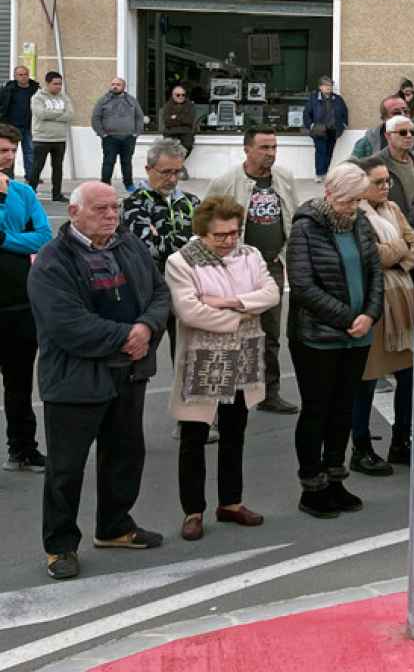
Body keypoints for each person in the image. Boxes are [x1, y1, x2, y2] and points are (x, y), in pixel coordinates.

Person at [33, 181, 171, 579]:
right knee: (66, 467)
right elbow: (66, 324)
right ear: (74, 213)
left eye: (115, 208)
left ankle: (115, 526)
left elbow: (160, 293)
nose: (111, 215)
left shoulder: (128, 245)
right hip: (76, 380)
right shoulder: (52, 261)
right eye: (100, 209)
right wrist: (127, 338)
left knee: (126, 453)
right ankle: (59, 546)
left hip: (128, 373)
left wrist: (145, 327)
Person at [165, 196, 277, 541]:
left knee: (235, 433)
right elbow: (190, 312)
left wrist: (230, 303)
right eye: (221, 236)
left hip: (242, 353)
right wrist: (244, 313)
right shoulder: (180, 261)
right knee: (194, 437)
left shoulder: (251, 254)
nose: (230, 240)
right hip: (203, 356)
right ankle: (193, 510)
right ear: (202, 233)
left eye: (235, 232)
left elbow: (271, 293)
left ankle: (230, 502)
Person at [285, 162, 382, 519]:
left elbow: (375, 274)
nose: (353, 208)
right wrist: (347, 318)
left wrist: (370, 314)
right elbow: (303, 285)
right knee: (317, 411)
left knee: (343, 410)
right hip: (318, 338)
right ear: (329, 194)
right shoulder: (306, 227)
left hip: (357, 336)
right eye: (348, 201)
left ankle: (336, 478)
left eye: (358, 201)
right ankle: (312, 486)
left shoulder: (360, 223)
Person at [205, 128, 298, 413]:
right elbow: (204, 224)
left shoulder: (284, 178)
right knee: (230, 332)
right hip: (235, 269)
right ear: (247, 149)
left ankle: (269, 393)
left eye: (274, 147)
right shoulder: (226, 182)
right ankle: (223, 399)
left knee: (270, 334)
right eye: (264, 147)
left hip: (272, 266)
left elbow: (293, 217)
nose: (270, 153)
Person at [344, 158, 414, 475]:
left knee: (409, 375)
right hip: (373, 303)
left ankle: (401, 440)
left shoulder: (393, 210)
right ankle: (360, 447)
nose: (386, 186)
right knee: (367, 379)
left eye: (387, 181)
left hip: (402, 297)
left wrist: (398, 250)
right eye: (378, 182)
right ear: (362, 185)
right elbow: (371, 256)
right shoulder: (356, 215)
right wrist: (399, 249)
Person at [0, 125, 50, 474]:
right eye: (2, 149)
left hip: (19, 302)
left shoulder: (23, 191)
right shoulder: (9, 195)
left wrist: (5, 238)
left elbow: (43, 237)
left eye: (11, 150)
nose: (8, 156)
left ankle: (23, 449)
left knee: (19, 384)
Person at [121, 139, 199, 362]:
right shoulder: (133, 204)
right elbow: (148, 249)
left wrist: (165, 238)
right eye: (166, 172)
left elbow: (208, 246)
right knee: (140, 360)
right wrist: (189, 240)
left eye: (177, 172)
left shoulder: (192, 202)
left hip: (189, 290)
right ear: (148, 169)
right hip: (149, 292)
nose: (172, 179)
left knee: (187, 360)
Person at [92, 77, 145, 190]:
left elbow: (139, 117)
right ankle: (105, 185)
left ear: (123, 87)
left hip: (128, 138)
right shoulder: (103, 100)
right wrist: (103, 134)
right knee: (108, 162)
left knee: (126, 162)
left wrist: (136, 133)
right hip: (110, 138)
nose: (115, 86)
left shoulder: (131, 100)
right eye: (113, 84)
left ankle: (129, 184)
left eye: (118, 84)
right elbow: (95, 118)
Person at [29, 71, 71, 202]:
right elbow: (41, 114)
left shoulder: (64, 97)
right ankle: (30, 193)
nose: (58, 87)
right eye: (55, 84)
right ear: (47, 84)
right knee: (37, 167)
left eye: (60, 84)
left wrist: (52, 114)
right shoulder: (38, 98)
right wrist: (60, 113)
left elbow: (70, 115)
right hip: (42, 138)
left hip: (59, 139)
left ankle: (57, 194)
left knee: (58, 168)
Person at [303, 78, 349, 181]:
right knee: (321, 151)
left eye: (330, 85)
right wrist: (310, 125)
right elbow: (306, 113)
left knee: (329, 152)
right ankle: (319, 174)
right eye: (326, 85)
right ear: (320, 87)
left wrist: (344, 124)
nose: (328, 87)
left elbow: (344, 112)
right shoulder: (314, 98)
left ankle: (325, 172)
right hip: (319, 129)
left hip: (333, 129)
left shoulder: (337, 99)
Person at [375, 115, 414, 217]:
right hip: (391, 222)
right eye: (402, 132)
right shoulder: (376, 163)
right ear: (388, 136)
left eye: (413, 132)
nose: (409, 136)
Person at [0, 65, 39, 180]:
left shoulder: (35, 90)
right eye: (20, 75)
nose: (23, 77)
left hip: (28, 127)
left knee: (30, 152)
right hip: (11, 128)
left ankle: (31, 177)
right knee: (9, 153)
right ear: (15, 76)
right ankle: (8, 177)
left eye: (25, 74)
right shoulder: (7, 90)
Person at [351, 95, 408, 160]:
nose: (403, 115)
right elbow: (351, 167)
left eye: (406, 111)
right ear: (384, 118)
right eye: (396, 113)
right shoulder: (368, 142)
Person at [158, 84, 197, 176]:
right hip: (170, 132)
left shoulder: (190, 106)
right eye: (178, 95)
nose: (181, 97)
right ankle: (178, 167)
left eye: (183, 95)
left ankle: (176, 166)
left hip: (185, 131)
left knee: (187, 145)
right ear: (173, 95)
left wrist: (175, 118)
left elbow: (189, 120)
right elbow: (167, 122)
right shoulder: (167, 106)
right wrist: (181, 119)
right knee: (169, 149)